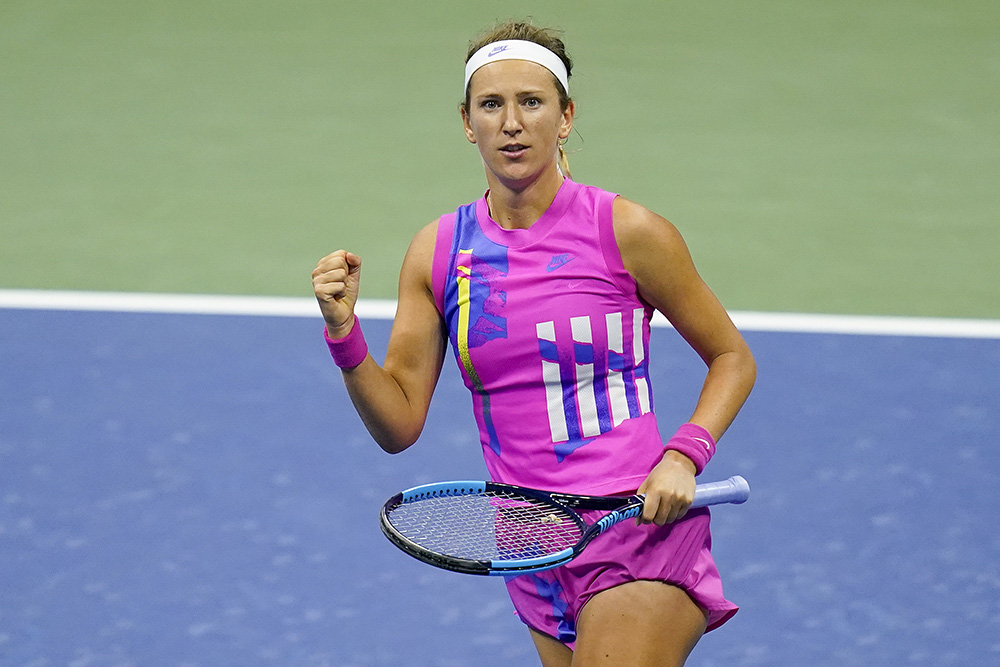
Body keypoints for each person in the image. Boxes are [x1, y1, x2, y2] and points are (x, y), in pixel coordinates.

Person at [312, 19, 756, 667]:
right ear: (467, 122)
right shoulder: (438, 253)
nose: (512, 122)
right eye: (491, 105)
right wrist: (344, 333)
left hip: (637, 532)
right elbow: (399, 421)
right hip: (530, 544)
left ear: (566, 115)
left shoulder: (629, 231)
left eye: (532, 102)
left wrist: (684, 455)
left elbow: (731, 357)